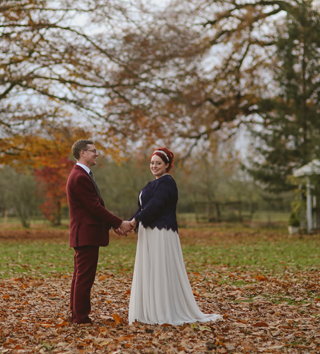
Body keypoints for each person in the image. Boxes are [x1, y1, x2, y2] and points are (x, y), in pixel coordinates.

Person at [125, 147, 221, 325]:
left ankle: (163, 310)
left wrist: (134, 221)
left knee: (160, 269)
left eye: (158, 163)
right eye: (152, 163)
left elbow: (156, 204)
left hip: (162, 233)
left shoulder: (167, 182)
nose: (154, 166)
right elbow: (142, 208)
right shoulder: (150, 184)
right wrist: (128, 223)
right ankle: (149, 310)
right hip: (148, 233)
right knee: (151, 269)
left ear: (167, 165)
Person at [66, 139, 134, 324]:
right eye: (93, 151)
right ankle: (80, 317)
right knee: (84, 278)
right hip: (86, 234)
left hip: (85, 234)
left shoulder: (82, 175)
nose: (96, 154)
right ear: (82, 153)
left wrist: (113, 225)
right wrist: (119, 223)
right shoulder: (80, 177)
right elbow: (95, 208)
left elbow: (92, 208)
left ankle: (76, 314)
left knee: (80, 276)